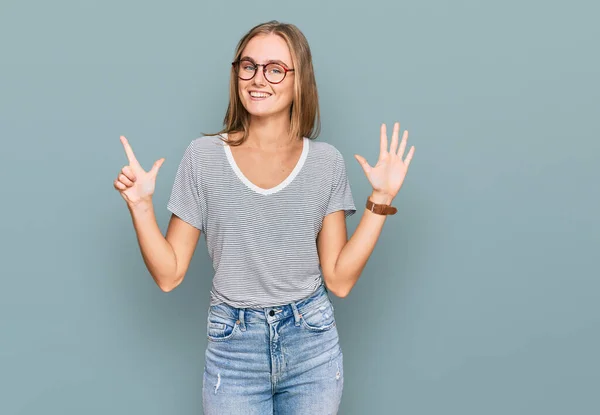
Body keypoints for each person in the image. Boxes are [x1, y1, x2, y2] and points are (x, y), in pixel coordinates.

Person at [113, 20, 414, 414]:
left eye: (275, 68)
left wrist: (380, 198)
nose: (258, 78)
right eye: (248, 65)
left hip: (311, 345)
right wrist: (139, 207)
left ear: (298, 80)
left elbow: (340, 280)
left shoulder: (326, 163)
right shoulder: (202, 158)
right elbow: (169, 274)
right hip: (233, 349)